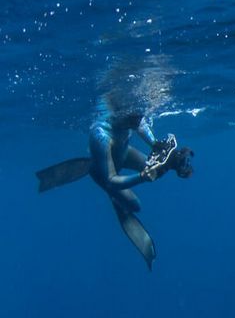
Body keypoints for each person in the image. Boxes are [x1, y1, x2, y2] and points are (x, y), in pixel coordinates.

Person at [36, 96, 194, 269]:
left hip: (123, 153)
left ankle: (118, 181)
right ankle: (115, 199)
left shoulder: (131, 117)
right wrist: (141, 177)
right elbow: (111, 180)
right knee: (135, 205)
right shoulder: (100, 135)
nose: (137, 123)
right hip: (104, 172)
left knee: (156, 170)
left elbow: (143, 129)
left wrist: (161, 150)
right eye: (133, 121)